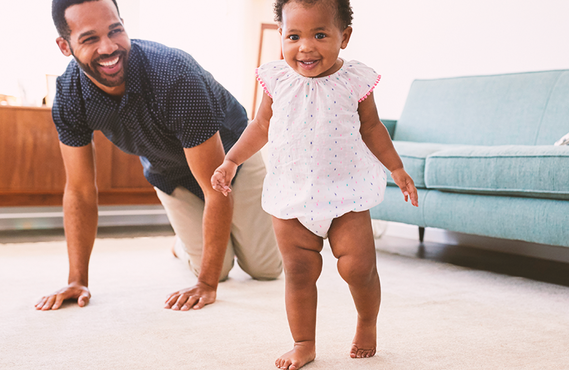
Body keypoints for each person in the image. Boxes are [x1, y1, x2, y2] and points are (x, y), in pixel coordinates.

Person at [35, 0, 282, 312]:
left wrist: (204, 287)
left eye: (115, 31)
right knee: (218, 270)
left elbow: (214, 186)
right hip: (169, 173)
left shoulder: (173, 75)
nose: (108, 47)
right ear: (64, 45)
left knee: (265, 269)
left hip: (232, 162)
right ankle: (184, 245)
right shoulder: (70, 95)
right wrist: (77, 279)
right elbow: (80, 190)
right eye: (89, 39)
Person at [211, 0, 418, 368]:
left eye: (320, 35)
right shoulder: (275, 79)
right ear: (281, 37)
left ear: (345, 37)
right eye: (293, 36)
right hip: (291, 194)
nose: (305, 46)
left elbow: (372, 128)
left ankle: (367, 322)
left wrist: (396, 168)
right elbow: (260, 126)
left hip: (345, 193)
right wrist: (231, 160)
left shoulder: (354, 80)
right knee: (299, 272)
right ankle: (303, 342)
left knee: (359, 268)